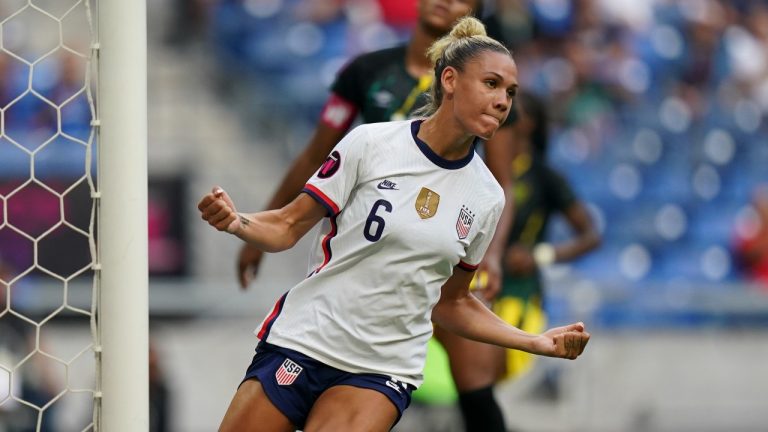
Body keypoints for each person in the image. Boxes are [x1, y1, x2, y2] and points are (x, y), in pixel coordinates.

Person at [199, 17, 590, 432]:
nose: (503, 101)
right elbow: (286, 226)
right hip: (305, 338)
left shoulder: (487, 196)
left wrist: (535, 341)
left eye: (510, 92)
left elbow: (452, 301)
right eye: (491, 84)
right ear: (451, 80)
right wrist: (237, 222)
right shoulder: (371, 144)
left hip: (380, 367)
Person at [237, 1, 517, 427]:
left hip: (431, 260)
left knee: (475, 379)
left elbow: (500, 182)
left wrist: (492, 258)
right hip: (368, 247)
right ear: (449, 80)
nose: (448, 1)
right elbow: (316, 155)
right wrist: (258, 226)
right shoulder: (368, 79)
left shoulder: (490, 92)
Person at [430, 91, 601, 430]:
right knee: (467, 383)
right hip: (464, 289)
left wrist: (541, 255)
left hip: (516, 294)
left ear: (531, 124)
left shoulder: (543, 176)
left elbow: (590, 235)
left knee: (480, 380)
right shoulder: (471, 165)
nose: (501, 109)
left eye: (513, 110)